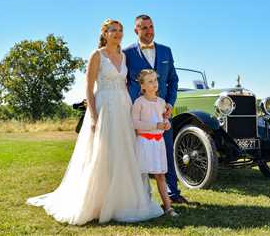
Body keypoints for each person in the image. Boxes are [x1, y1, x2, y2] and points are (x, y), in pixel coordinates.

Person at [26, 19, 163, 225]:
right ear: (104, 33)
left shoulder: (123, 56)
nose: (117, 34)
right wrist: (93, 116)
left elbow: (126, 84)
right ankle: (97, 202)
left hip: (123, 107)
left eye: (120, 30)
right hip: (104, 107)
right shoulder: (97, 55)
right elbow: (89, 89)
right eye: (113, 30)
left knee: (124, 152)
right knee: (102, 152)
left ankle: (123, 201)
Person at [124, 14, 188, 204]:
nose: (149, 31)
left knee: (167, 152)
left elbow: (173, 80)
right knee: (138, 156)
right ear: (136, 30)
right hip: (140, 114)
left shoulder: (166, 51)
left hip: (163, 112)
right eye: (144, 28)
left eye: (151, 26)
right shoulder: (127, 53)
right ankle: (140, 198)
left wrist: (169, 103)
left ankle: (173, 194)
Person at [132, 69, 179, 217]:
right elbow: (134, 123)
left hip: (158, 143)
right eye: (150, 81)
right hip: (144, 142)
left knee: (160, 175)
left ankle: (168, 207)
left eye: (155, 80)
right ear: (142, 86)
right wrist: (155, 126)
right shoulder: (139, 102)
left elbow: (164, 120)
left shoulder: (161, 102)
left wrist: (166, 124)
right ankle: (141, 204)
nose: (154, 84)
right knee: (141, 174)